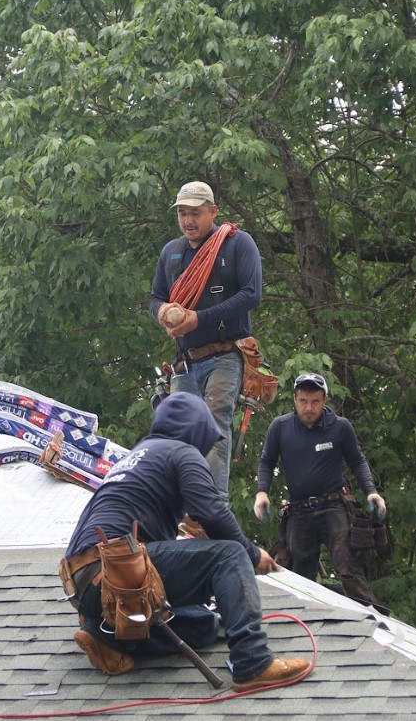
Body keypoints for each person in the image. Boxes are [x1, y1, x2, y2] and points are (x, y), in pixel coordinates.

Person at [60, 392, 310, 691]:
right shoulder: (181, 451)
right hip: (119, 570)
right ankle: (252, 661)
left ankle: (106, 637)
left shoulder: (138, 455)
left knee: (204, 625)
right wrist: (251, 553)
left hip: (88, 586)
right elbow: (212, 512)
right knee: (229, 555)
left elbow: (157, 509)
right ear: (196, 431)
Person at [148, 180, 262, 501]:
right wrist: (164, 313)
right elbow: (155, 297)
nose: (188, 221)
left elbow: (251, 294)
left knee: (214, 424)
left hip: (225, 354)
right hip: (185, 361)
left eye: (195, 213)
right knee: (179, 431)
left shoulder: (238, 244)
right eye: (182, 214)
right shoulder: (171, 252)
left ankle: (212, 505)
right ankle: (182, 506)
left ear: (212, 212)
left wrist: (199, 318)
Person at [252, 373, 385, 605]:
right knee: (299, 574)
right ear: (294, 400)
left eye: (315, 401)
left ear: (324, 400)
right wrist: (262, 492)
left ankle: (372, 616)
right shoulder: (280, 427)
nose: (309, 407)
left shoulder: (340, 427)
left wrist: (371, 491)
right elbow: (266, 461)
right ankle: (302, 622)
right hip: (300, 510)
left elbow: (357, 461)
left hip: (334, 506)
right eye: (303, 401)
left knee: (346, 567)